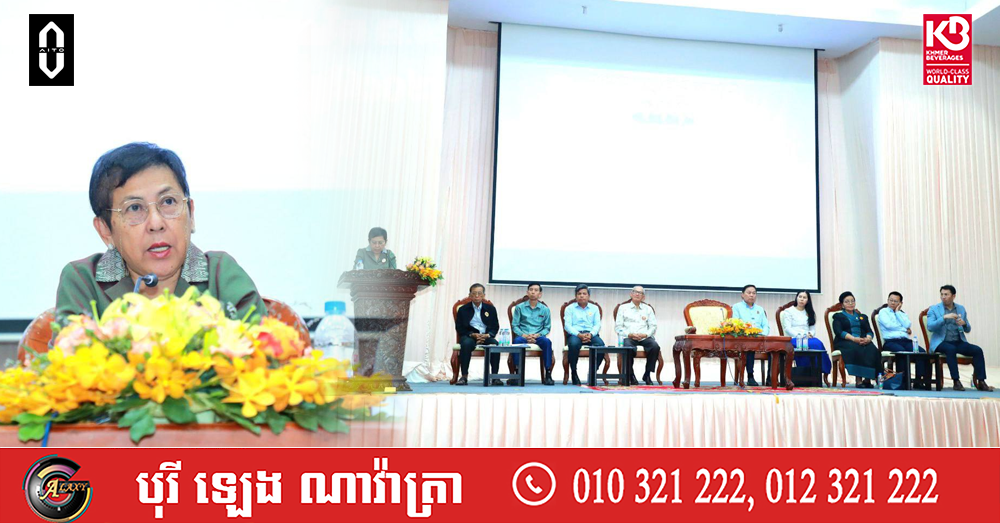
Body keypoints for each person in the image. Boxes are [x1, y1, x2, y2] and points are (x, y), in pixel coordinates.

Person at [55, 142, 266, 325]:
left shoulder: (220, 274)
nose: (156, 223)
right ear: (105, 229)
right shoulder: (84, 281)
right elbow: (72, 355)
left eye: (168, 202)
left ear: (191, 213)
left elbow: (263, 350)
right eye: (134, 208)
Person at [926, 285, 992, 391]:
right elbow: (930, 327)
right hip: (941, 342)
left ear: (953, 296)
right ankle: (956, 381)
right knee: (950, 349)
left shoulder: (960, 308)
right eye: (942, 294)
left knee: (977, 350)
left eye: (946, 294)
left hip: (958, 341)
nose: (943, 297)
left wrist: (964, 324)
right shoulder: (934, 309)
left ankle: (981, 381)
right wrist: (943, 318)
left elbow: (968, 329)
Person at [779, 290, 832, 386]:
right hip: (794, 338)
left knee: (818, 343)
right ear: (796, 298)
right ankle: (806, 371)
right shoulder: (789, 311)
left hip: (807, 337)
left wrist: (810, 334)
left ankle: (818, 372)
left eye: (804, 297)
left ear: (808, 300)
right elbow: (787, 329)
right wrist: (801, 335)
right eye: (800, 297)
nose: (801, 299)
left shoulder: (809, 312)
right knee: (810, 344)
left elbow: (812, 328)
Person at [876, 291, 929, 382]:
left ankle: (919, 380)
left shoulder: (902, 313)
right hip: (891, 342)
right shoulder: (883, 312)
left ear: (900, 303)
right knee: (902, 352)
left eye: (895, 301)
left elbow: (907, 324)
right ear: (887, 300)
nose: (892, 303)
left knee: (921, 352)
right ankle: (903, 380)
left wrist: (897, 312)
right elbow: (889, 325)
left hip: (905, 340)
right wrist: (904, 329)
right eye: (891, 300)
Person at [454, 283, 500, 386]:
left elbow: (495, 326)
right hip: (469, 336)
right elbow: (459, 327)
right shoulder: (463, 309)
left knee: (495, 344)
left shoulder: (491, 309)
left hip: (485, 336)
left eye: (479, 293)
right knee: (466, 344)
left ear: (484, 295)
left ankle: (495, 377)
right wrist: (472, 334)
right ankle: (464, 376)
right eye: (474, 293)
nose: (477, 296)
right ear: (470, 295)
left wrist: (488, 335)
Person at [832, 291, 881, 388]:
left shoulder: (862, 317)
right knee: (856, 348)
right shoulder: (838, 317)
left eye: (852, 301)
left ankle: (867, 380)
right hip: (845, 341)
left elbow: (869, 331)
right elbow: (839, 332)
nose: (850, 303)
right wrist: (854, 339)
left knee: (872, 349)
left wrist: (868, 339)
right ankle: (858, 380)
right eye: (847, 302)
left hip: (862, 340)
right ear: (842, 305)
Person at [615, 286, 659, 385]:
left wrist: (645, 334)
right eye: (635, 292)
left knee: (655, 346)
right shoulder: (623, 308)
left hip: (644, 337)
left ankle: (647, 374)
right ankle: (631, 375)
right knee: (628, 348)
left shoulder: (648, 309)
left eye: (640, 293)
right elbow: (618, 327)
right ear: (631, 294)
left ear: (643, 297)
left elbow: (653, 326)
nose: (638, 294)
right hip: (629, 336)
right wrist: (629, 334)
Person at [511, 283, 554, 385]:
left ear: (540, 294)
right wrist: (524, 335)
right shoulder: (519, 308)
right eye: (531, 290)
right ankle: (517, 373)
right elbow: (515, 326)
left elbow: (547, 327)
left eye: (536, 290)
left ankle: (548, 374)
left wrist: (537, 335)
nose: (533, 292)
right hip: (523, 336)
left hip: (538, 336)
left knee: (547, 342)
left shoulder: (545, 309)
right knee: (516, 341)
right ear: (527, 292)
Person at [564, 284, 605, 386]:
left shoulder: (594, 308)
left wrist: (591, 334)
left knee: (601, 345)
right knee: (573, 344)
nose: (582, 296)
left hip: (590, 334)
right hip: (575, 334)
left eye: (584, 294)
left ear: (588, 296)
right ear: (576, 296)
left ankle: (593, 372)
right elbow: (567, 326)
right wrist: (578, 335)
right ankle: (574, 372)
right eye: (579, 294)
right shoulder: (569, 308)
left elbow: (597, 325)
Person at [731, 284, 769, 386]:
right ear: (742, 295)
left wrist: (762, 334)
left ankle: (770, 378)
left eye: (754, 293)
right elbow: (735, 324)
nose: (751, 295)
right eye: (749, 293)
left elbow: (766, 326)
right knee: (749, 347)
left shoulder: (760, 309)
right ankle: (750, 376)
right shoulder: (736, 307)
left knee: (775, 349)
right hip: (744, 338)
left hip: (759, 338)